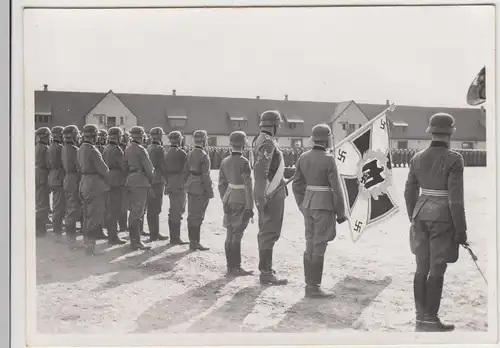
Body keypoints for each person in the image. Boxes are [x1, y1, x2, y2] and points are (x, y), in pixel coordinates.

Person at [405, 112, 467, 332]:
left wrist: (413, 214)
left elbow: (409, 191)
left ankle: (420, 316)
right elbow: (456, 200)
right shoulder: (454, 159)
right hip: (442, 218)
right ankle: (430, 319)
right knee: (437, 267)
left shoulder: (417, 157)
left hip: (420, 214)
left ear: (431, 131)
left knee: (421, 266)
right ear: (450, 132)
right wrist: (461, 230)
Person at [292, 124, 347, 298]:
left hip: (308, 204)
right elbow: (336, 188)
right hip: (323, 205)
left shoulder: (303, 157)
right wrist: (341, 212)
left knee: (310, 243)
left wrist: (302, 204)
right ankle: (314, 287)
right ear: (327, 139)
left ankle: (310, 285)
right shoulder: (328, 159)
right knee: (319, 245)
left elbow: (297, 184)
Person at [253, 110, 288, 285]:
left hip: (269, 191)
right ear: (274, 125)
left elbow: (271, 168)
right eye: (278, 124)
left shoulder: (260, 139)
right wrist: (261, 197)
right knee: (269, 231)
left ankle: (266, 268)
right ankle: (265, 272)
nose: (279, 127)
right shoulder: (268, 143)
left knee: (267, 231)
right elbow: (261, 172)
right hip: (270, 193)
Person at [218, 131, 254, 277]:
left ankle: (230, 266)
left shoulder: (225, 161)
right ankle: (236, 267)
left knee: (229, 232)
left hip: (229, 197)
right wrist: (250, 207)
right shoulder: (244, 162)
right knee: (237, 234)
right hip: (241, 198)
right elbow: (248, 186)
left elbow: (221, 184)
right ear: (244, 144)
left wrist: (224, 199)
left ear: (230, 144)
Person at [77, 124, 110, 256]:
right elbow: (104, 170)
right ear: (94, 136)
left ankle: (88, 245)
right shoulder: (93, 150)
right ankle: (90, 248)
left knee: (87, 215)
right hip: (94, 184)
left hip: (84, 182)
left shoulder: (80, 149)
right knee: (93, 216)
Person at [124, 126, 154, 250]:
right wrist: (151, 180)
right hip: (140, 181)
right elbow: (149, 168)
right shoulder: (141, 150)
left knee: (133, 212)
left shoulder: (128, 148)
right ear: (141, 137)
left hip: (130, 180)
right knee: (138, 212)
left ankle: (133, 239)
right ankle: (135, 242)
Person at [184, 130, 214, 251]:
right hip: (200, 188)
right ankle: (195, 242)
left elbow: (185, 171)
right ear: (204, 140)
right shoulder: (204, 155)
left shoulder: (190, 153)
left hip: (191, 185)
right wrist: (210, 191)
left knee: (191, 215)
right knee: (198, 216)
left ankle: (192, 241)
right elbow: (206, 175)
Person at [103, 127, 128, 245]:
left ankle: (111, 234)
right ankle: (113, 236)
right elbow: (123, 166)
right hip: (117, 180)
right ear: (118, 136)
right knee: (116, 209)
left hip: (108, 178)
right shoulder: (117, 149)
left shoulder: (106, 148)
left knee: (110, 208)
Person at [165, 131, 189, 245]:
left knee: (173, 210)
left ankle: (173, 237)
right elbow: (186, 169)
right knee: (178, 210)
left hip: (170, 182)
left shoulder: (168, 152)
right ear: (179, 139)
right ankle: (175, 238)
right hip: (179, 183)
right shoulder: (182, 153)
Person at [146, 127, 169, 242]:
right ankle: (154, 234)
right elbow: (163, 165)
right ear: (159, 136)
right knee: (156, 208)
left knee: (150, 207)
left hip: (150, 179)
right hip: (158, 179)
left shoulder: (148, 147)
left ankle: (152, 232)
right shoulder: (159, 149)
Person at [61, 125, 82, 248]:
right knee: (73, 209)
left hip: (67, 178)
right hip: (74, 179)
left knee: (70, 207)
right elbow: (79, 167)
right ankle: (71, 241)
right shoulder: (74, 149)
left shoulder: (64, 148)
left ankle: (70, 239)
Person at [48, 126, 66, 239]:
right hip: (59, 177)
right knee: (59, 206)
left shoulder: (50, 147)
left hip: (53, 176)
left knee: (56, 204)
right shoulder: (60, 147)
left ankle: (56, 228)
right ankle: (57, 230)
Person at [35, 127, 52, 237]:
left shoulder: (37, 146)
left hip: (37, 173)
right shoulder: (45, 148)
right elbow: (48, 163)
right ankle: (40, 228)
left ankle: (40, 226)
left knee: (39, 200)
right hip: (43, 174)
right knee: (43, 201)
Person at [118, 131, 130, 232]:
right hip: (121, 178)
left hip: (117, 179)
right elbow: (124, 165)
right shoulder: (121, 149)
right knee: (122, 204)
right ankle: (123, 225)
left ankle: (123, 224)